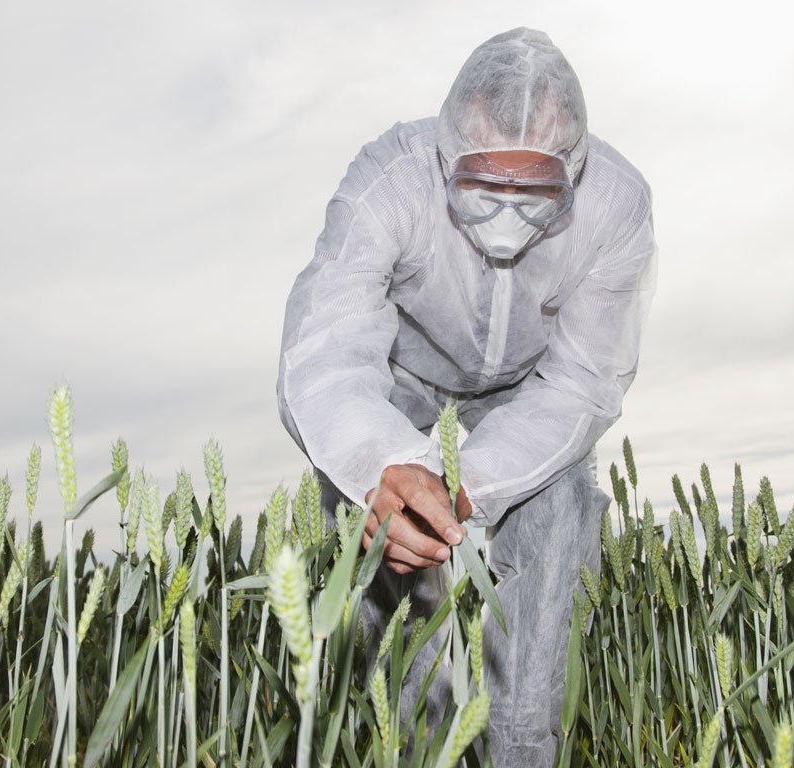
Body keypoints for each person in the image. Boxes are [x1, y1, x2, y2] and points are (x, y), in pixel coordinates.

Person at [278, 27, 657, 766]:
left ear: (574, 171)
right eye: (485, 186)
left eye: (536, 189)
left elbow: (584, 378)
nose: (509, 208)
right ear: (449, 153)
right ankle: (418, 749)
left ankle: (523, 751)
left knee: (548, 578)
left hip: (532, 404)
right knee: (404, 602)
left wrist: (474, 482)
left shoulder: (617, 206)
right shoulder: (389, 180)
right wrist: (384, 466)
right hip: (401, 393)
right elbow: (325, 349)